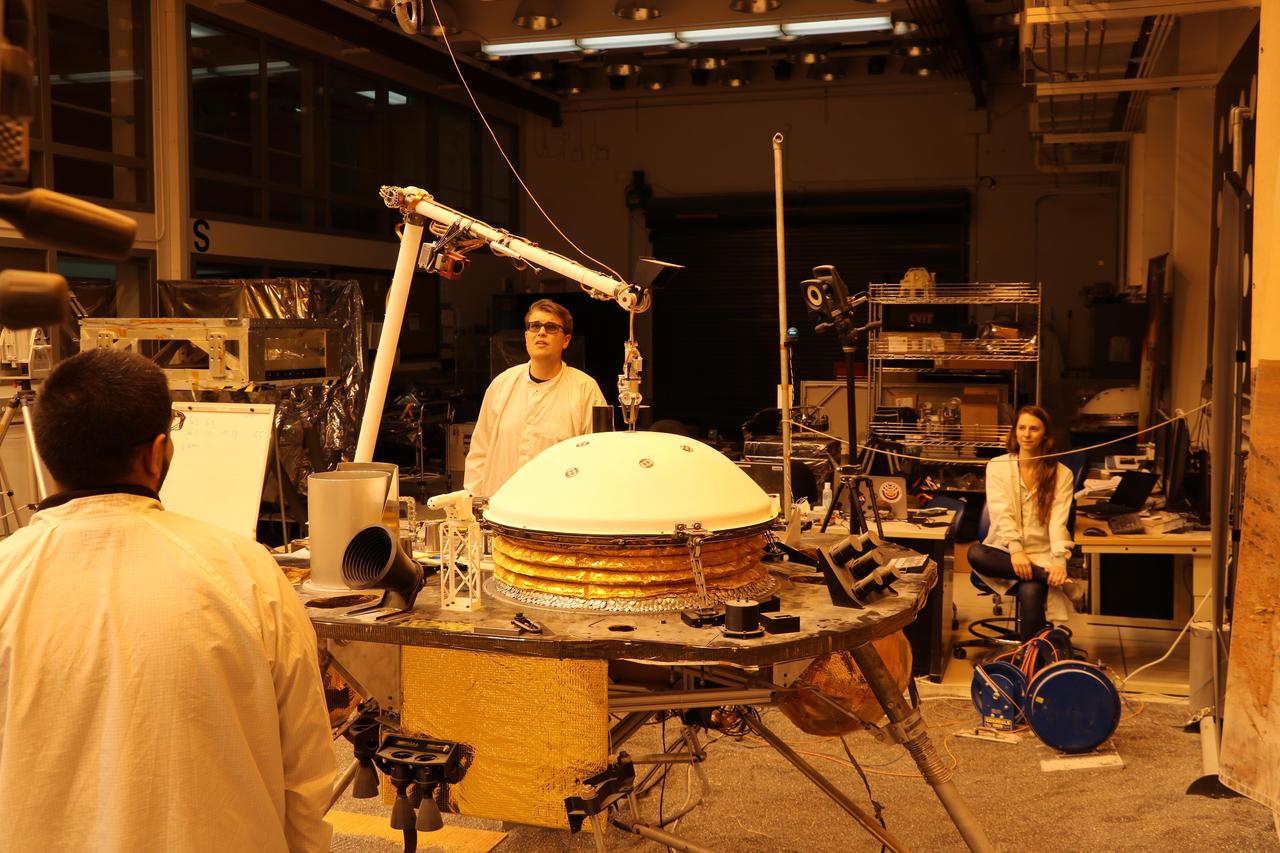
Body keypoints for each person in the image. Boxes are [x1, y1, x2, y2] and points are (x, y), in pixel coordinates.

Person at [0, 349, 335, 852]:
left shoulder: (7, 577)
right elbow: (305, 772)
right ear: (158, 453)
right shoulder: (245, 572)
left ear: (46, 458)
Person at [464, 298, 607, 497]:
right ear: (526, 336)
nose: (541, 332)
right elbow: (479, 451)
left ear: (566, 340)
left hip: (557, 509)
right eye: (535, 326)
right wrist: (474, 501)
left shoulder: (585, 390)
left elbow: (596, 457)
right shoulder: (502, 385)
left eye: (551, 327)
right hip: (501, 507)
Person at [967, 405, 1076, 642]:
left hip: (1042, 553)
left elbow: (1058, 522)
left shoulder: (1062, 474)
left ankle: (1028, 661)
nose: (1026, 434)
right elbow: (1000, 513)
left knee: (1031, 589)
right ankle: (1049, 578)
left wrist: (1058, 561)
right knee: (975, 553)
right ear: (1014, 432)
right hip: (1005, 553)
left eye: (1034, 429)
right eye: (1022, 428)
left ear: (1045, 434)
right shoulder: (998, 465)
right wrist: (1016, 551)